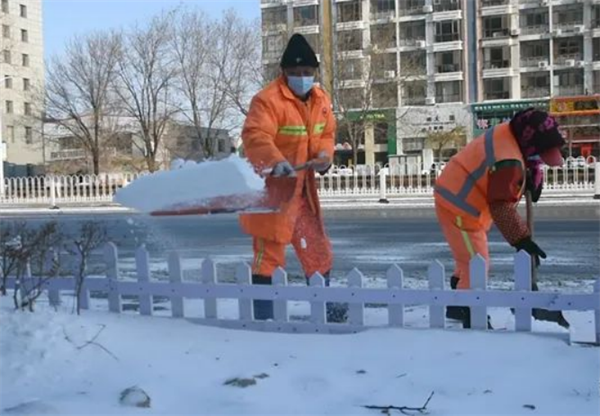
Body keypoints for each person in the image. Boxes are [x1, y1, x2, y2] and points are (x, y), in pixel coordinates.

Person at [239, 34, 346, 322]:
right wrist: (275, 163)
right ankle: (265, 315)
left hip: (302, 191)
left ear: (315, 73)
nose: (302, 78)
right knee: (269, 254)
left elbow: (325, 135)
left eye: (307, 73)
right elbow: (255, 136)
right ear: (283, 73)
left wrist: (324, 157)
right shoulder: (267, 100)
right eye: (296, 73)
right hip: (270, 193)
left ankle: (325, 308)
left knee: (318, 249)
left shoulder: (321, 100)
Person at [434, 108, 565, 328]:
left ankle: (456, 305)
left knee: (466, 257)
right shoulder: (507, 160)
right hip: (459, 205)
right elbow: (501, 206)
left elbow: (528, 158)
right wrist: (521, 240)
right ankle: (470, 312)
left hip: (467, 197)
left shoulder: (512, 131)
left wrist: (532, 177)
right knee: (475, 262)